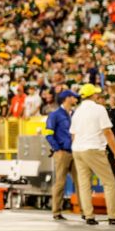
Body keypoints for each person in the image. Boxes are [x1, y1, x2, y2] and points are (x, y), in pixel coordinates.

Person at [68, 85, 115, 226]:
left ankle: (89, 216)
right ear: (93, 96)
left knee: (84, 184)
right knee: (109, 182)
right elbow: (107, 132)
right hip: (93, 149)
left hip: (78, 149)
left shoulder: (77, 112)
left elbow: (73, 134)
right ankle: (113, 216)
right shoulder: (99, 109)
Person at [44, 90, 77, 221]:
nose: (75, 99)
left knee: (81, 182)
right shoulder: (55, 115)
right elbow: (48, 134)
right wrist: (57, 149)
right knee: (60, 183)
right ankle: (56, 211)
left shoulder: (75, 114)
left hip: (76, 152)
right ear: (66, 99)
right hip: (62, 152)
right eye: (72, 97)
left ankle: (86, 212)